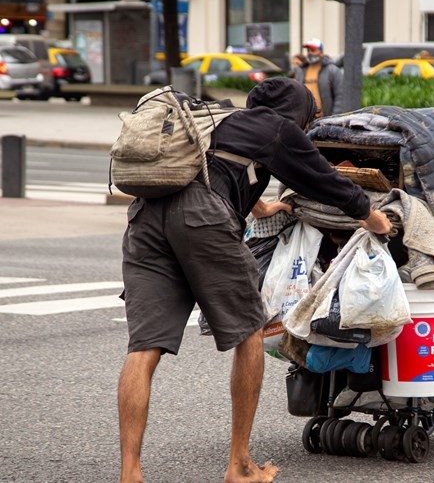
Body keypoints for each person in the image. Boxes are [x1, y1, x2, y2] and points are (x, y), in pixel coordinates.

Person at [117, 78, 391, 483]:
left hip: (145, 218)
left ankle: (130, 473)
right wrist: (373, 217)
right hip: (202, 220)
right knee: (250, 334)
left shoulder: (224, 119)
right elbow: (327, 182)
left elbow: (213, 168)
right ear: (298, 112)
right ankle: (240, 465)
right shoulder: (279, 128)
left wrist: (260, 206)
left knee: (143, 348)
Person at [293, 38, 343, 117]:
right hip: (306, 120)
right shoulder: (301, 70)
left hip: (325, 119)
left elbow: (340, 96)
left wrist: (334, 117)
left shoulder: (332, 70)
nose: (310, 53)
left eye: (313, 50)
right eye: (308, 50)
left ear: (321, 53)